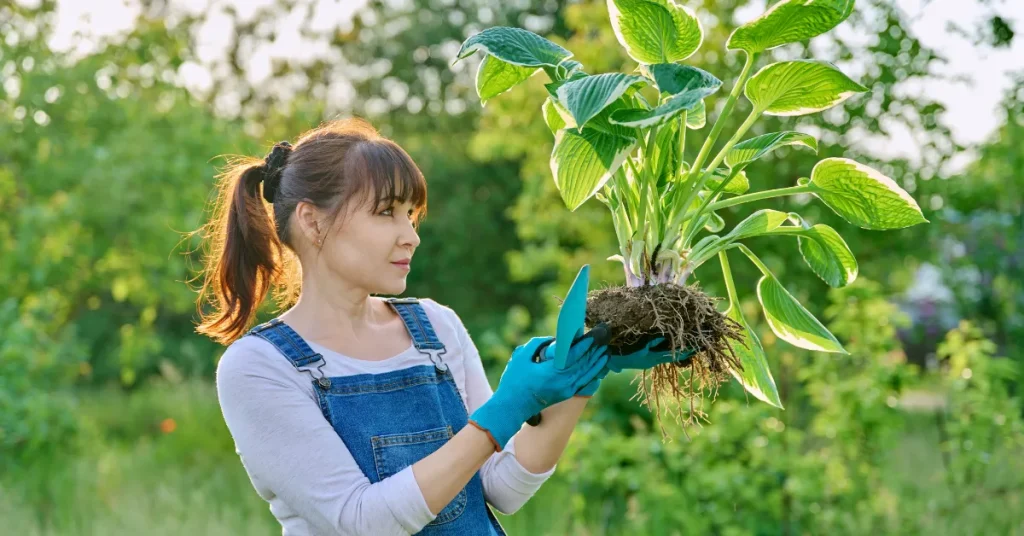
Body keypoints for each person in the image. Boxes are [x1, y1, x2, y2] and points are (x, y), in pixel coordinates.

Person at [194, 118, 679, 535]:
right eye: (386, 213)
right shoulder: (259, 367)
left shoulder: (435, 327)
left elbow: (500, 487)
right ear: (312, 222)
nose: (411, 235)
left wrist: (578, 379)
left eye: (411, 215)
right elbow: (362, 521)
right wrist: (508, 409)